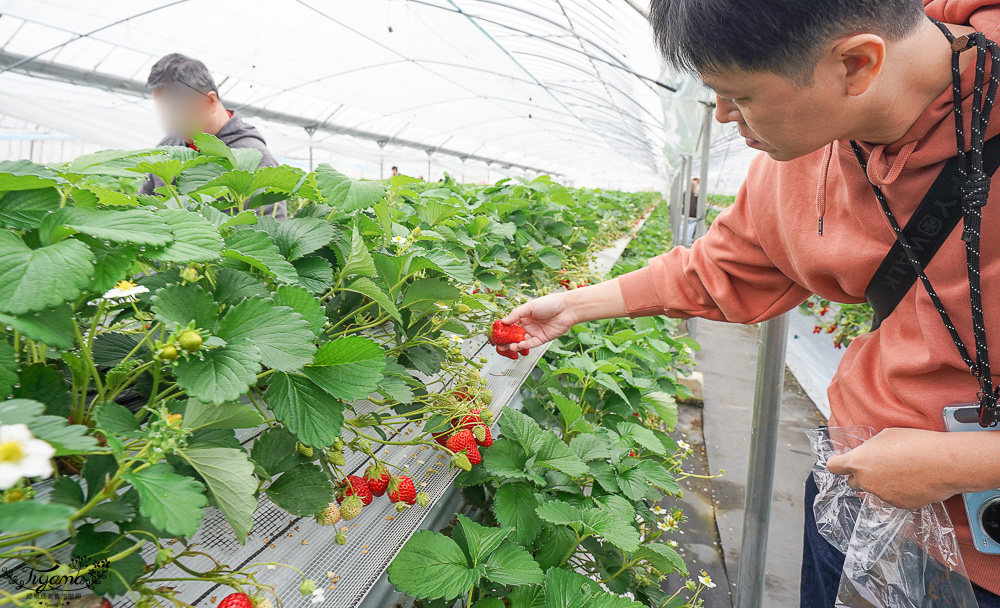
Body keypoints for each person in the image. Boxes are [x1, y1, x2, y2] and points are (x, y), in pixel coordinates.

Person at [498, 1, 1000, 606]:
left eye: (741, 95)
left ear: (857, 64)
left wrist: (960, 463)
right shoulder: (800, 157)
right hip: (862, 497)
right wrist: (578, 305)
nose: (725, 115)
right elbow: (724, 266)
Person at [139, 53, 286, 220]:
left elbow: (269, 231)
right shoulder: (166, 149)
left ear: (210, 101)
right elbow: (142, 213)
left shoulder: (256, 158)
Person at [686, 177, 701, 243]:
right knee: (689, 229)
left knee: (688, 229)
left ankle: (687, 240)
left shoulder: (686, 194)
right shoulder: (694, 196)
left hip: (688, 214)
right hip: (692, 215)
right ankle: (687, 240)